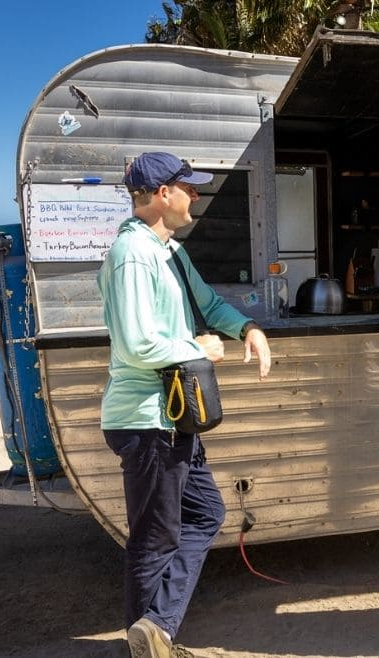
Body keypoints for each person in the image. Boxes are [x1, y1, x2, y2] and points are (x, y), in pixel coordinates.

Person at [98, 151, 272, 658]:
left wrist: (247, 328)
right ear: (160, 194)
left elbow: (209, 304)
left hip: (173, 416)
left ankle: (155, 628)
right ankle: (150, 641)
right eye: (187, 187)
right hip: (146, 419)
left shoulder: (169, 250)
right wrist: (198, 348)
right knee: (154, 540)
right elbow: (135, 343)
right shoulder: (133, 253)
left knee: (205, 513)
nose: (196, 194)